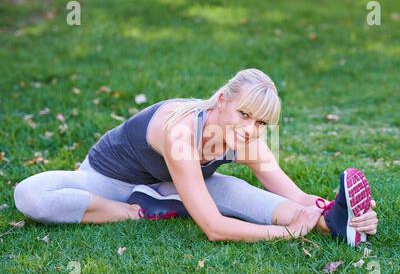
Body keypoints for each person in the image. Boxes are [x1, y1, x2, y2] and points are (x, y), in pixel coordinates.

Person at [13, 68, 378, 247]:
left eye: (262, 121)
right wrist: (283, 233)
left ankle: (334, 225)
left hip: (179, 183)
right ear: (222, 101)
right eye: (244, 114)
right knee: (29, 195)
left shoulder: (248, 138)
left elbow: (294, 196)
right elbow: (215, 229)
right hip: (107, 181)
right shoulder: (180, 132)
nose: (251, 128)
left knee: (233, 191)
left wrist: (332, 210)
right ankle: (137, 210)